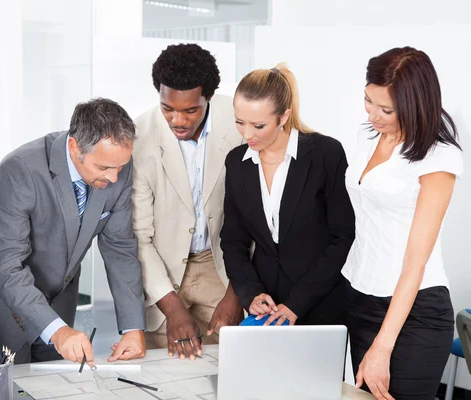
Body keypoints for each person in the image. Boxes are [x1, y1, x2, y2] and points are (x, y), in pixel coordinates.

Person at [0, 98, 146, 364]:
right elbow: (6, 265)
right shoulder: (20, 170)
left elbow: (120, 249)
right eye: (104, 168)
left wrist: (133, 328)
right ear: (74, 147)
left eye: (120, 167)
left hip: (61, 297)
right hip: (2, 300)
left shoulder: (118, 167)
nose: (114, 178)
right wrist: (57, 330)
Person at [342, 47, 463, 400]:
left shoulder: (439, 157)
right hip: (358, 296)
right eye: (368, 100)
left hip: (414, 313)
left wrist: (382, 346)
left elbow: (415, 263)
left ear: (415, 104)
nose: (373, 115)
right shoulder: (368, 136)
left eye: (386, 109)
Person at [220, 65, 355, 329]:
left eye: (258, 125)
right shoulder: (237, 163)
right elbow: (233, 240)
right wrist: (251, 294)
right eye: (239, 122)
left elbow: (344, 237)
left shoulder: (326, 154)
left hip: (322, 305)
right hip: (266, 310)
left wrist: (297, 304)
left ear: (284, 117)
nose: (247, 134)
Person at [132, 43, 244, 360]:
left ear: (207, 97)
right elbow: (139, 237)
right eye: (168, 108)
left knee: (230, 369)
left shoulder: (238, 123)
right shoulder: (139, 136)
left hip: (220, 266)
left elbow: (254, 219)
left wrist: (235, 295)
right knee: (164, 374)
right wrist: (173, 310)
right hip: (161, 269)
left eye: (190, 110)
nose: (177, 120)